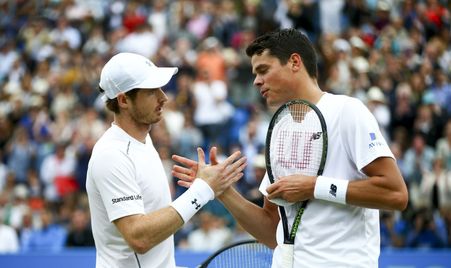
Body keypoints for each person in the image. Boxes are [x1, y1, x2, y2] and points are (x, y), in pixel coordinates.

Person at [172, 28, 408, 267]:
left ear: (295, 62)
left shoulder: (348, 111)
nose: (256, 81)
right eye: (255, 73)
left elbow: (396, 194)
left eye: (263, 70)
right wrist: (222, 191)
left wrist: (315, 187)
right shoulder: (278, 131)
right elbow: (271, 230)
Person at [85, 52, 246, 268]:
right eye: (152, 91)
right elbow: (138, 237)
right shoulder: (111, 155)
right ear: (123, 100)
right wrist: (203, 189)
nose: (164, 97)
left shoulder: (143, 140)